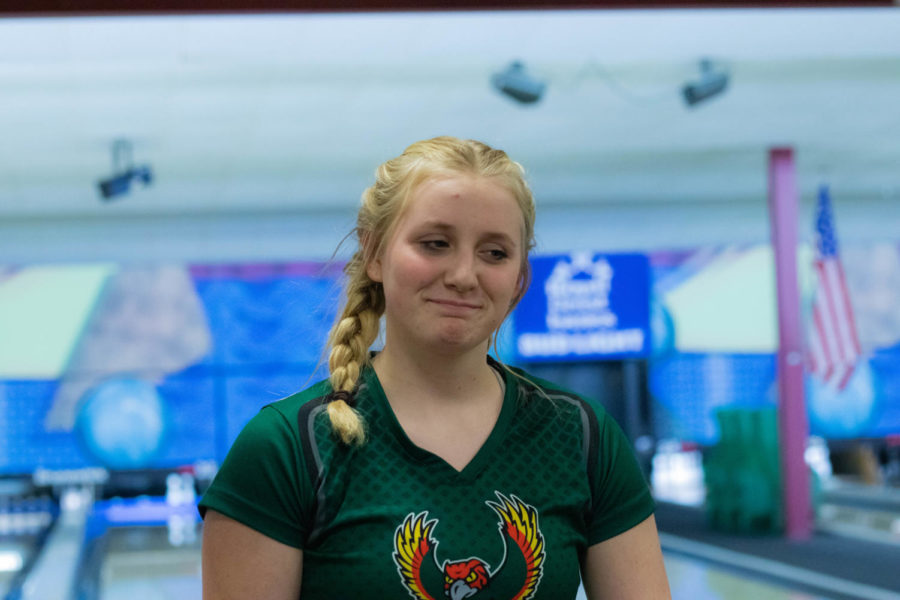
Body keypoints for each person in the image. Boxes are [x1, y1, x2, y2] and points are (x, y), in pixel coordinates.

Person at [199, 136, 671, 599]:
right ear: (375, 253)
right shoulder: (285, 447)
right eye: (435, 243)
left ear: (520, 278)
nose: (464, 275)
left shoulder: (580, 436)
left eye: (495, 253)